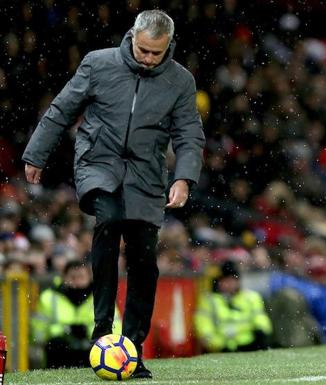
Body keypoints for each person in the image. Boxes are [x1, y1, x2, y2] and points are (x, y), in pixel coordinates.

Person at [22, 10, 206, 378]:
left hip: (146, 172)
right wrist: (36, 154)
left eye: (157, 53)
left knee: (143, 255)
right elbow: (62, 109)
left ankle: (133, 348)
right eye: (143, 50)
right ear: (132, 37)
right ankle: (103, 331)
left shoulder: (181, 81)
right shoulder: (98, 63)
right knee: (109, 220)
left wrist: (184, 179)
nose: (149, 59)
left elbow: (189, 135)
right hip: (98, 162)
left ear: (169, 45)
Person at [31, 261, 121, 368]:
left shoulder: (102, 298)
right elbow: (38, 334)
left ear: (89, 277)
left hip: (93, 350)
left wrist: (87, 332)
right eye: (73, 277)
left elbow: (115, 331)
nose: (77, 281)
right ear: (64, 277)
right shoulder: (48, 298)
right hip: (60, 352)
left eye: (81, 277)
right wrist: (67, 331)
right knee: (55, 345)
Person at [193, 260, 273, 352]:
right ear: (219, 282)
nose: (229, 284)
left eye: (232, 280)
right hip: (222, 350)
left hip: (250, 346)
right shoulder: (209, 301)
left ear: (238, 281)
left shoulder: (251, 297)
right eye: (226, 280)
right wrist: (219, 346)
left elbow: (261, 319)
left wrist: (261, 334)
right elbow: (204, 329)